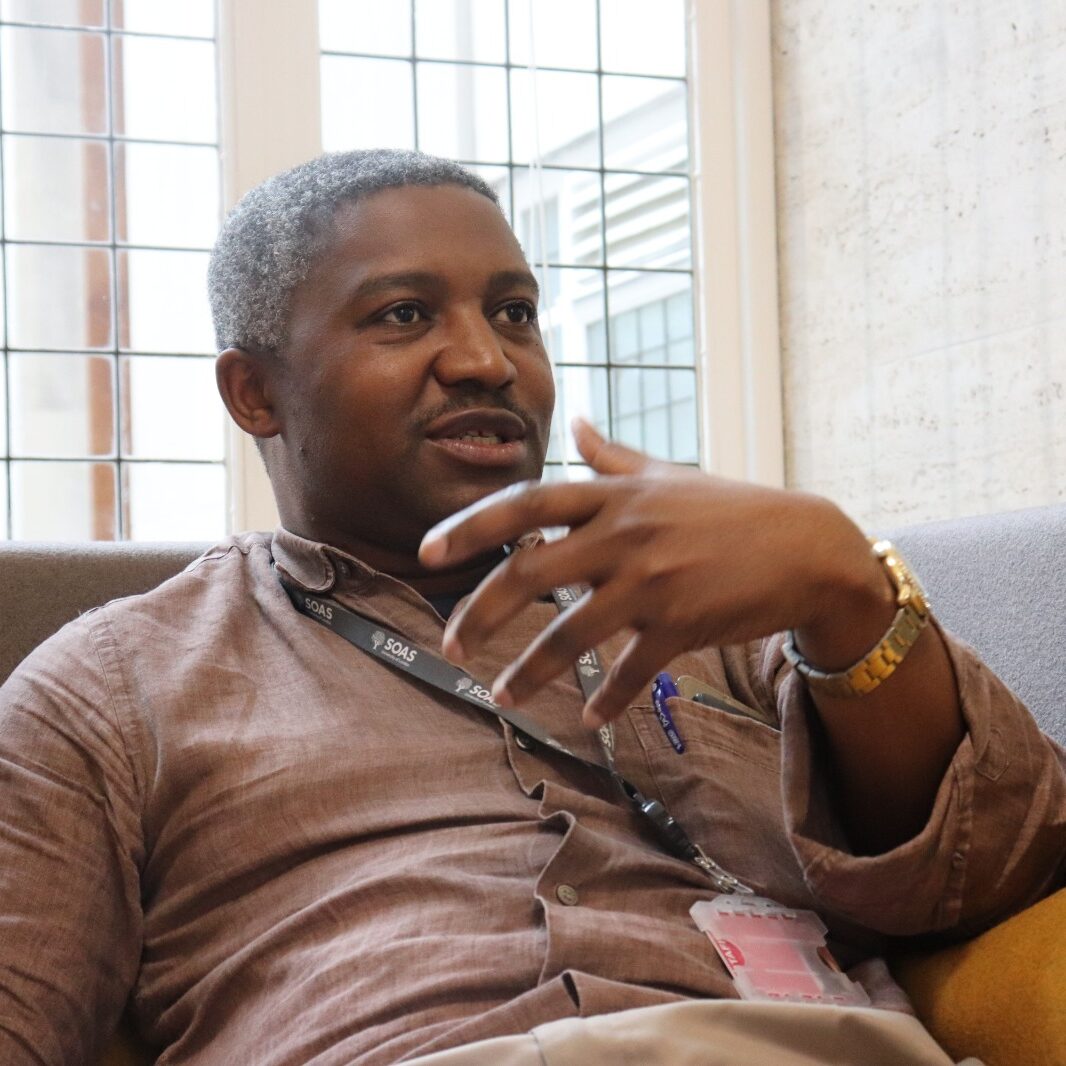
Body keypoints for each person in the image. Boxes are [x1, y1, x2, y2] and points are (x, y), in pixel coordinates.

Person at [0, 148, 1062, 1066]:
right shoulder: (110, 691)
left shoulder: (722, 607)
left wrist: (850, 594)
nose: (486, 360)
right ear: (254, 393)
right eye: (405, 314)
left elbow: (1003, 868)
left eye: (514, 313)